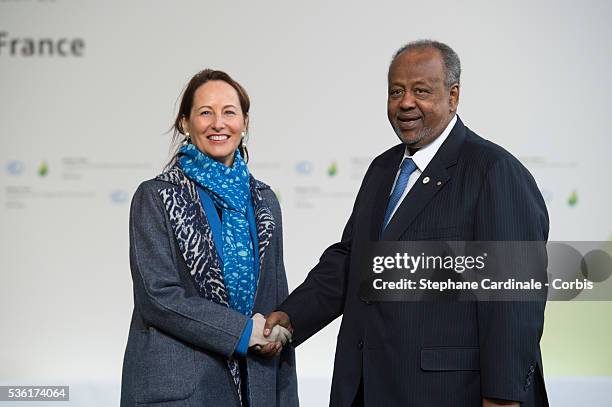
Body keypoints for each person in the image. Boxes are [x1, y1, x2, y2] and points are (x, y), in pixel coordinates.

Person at [265, 40, 549, 406]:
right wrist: (291, 317)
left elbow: (513, 300)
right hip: (367, 389)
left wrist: (504, 397)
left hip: (448, 395)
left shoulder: (493, 171)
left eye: (421, 91)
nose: (406, 103)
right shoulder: (382, 170)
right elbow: (351, 262)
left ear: (453, 96)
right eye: (396, 91)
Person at [121, 69, 298, 407]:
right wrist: (243, 333)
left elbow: (276, 296)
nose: (219, 123)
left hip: (256, 385)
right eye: (205, 112)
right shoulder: (156, 197)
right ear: (185, 123)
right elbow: (158, 298)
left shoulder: (264, 200)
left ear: (244, 122)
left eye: (229, 112)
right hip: (182, 390)